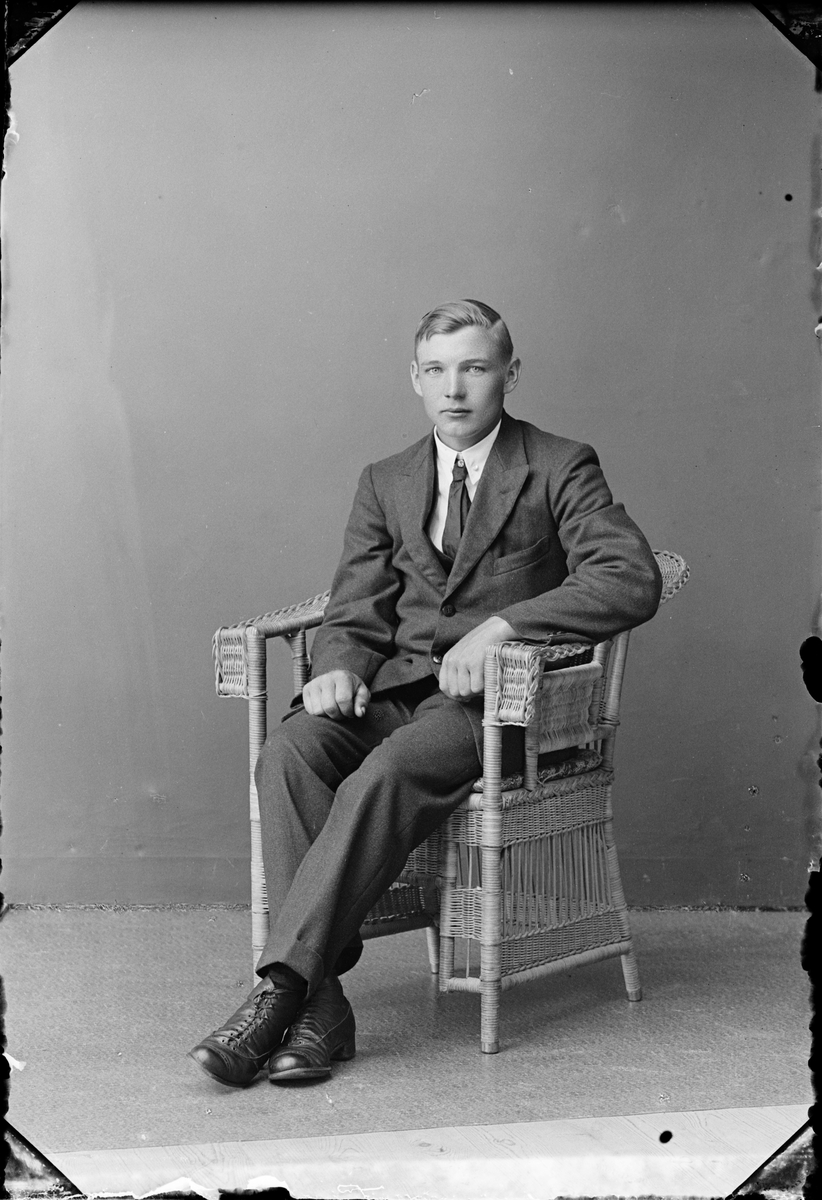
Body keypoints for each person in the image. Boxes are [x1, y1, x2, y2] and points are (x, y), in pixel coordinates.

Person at [189, 299, 662, 1088]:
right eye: (437, 370)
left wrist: (504, 627)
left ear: (509, 374)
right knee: (290, 751)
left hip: (494, 709)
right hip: (393, 692)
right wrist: (340, 664)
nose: (455, 388)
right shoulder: (386, 480)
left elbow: (630, 577)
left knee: (387, 771)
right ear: (414, 378)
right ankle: (321, 1006)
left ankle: (279, 992)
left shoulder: (559, 464)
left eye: (474, 368)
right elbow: (355, 606)